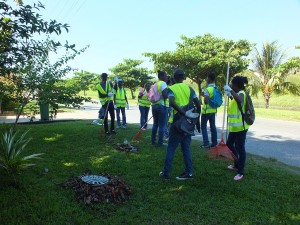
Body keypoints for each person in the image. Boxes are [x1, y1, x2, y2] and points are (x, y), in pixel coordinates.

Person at [159, 69, 201, 180]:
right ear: (183, 78)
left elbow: (172, 102)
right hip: (188, 122)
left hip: (178, 121)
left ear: (174, 77)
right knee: (186, 148)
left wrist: (182, 112)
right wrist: (197, 120)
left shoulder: (171, 89)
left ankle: (166, 173)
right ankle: (189, 172)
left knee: (171, 148)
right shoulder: (190, 89)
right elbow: (198, 104)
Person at [224, 76, 251, 181]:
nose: (231, 86)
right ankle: (236, 164)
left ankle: (241, 172)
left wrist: (230, 91)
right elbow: (236, 102)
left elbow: (239, 100)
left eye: (232, 85)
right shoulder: (237, 93)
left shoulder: (242, 93)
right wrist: (230, 94)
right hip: (235, 127)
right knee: (230, 144)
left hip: (241, 127)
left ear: (237, 85)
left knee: (240, 148)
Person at [201, 72, 218, 148]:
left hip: (206, 111)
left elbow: (206, 101)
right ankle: (214, 143)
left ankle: (206, 143)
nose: (206, 79)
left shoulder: (208, 89)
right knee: (213, 127)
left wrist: (204, 96)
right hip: (213, 110)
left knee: (203, 127)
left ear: (210, 79)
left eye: (207, 78)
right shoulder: (216, 88)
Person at [151, 70, 168, 147]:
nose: (166, 77)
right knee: (162, 125)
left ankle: (153, 141)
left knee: (155, 124)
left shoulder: (155, 84)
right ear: (161, 77)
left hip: (154, 106)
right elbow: (165, 95)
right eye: (165, 76)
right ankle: (160, 142)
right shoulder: (163, 83)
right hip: (162, 105)